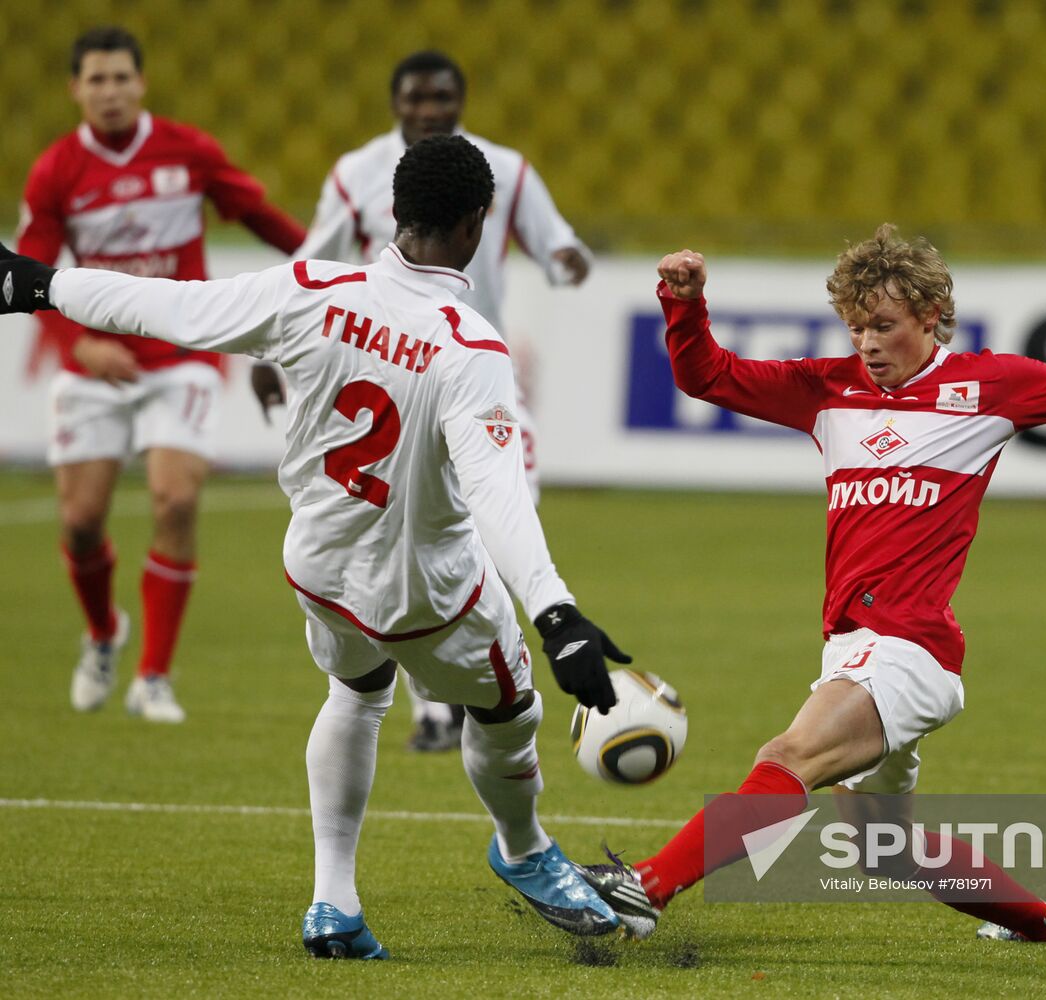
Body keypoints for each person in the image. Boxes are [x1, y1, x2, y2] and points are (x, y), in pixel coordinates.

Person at [578, 228, 1046, 943]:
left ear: (933, 317)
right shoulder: (827, 390)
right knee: (882, 849)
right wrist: (684, 305)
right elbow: (706, 375)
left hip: (909, 648)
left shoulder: (991, 385)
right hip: (851, 649)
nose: (867, 345)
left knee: (789, 755)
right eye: (855, 329)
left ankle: (646, 889)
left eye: (882, 325)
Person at [0, 134, 632, 956]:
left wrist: (38, 284)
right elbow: (497, 492)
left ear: (395, 211)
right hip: (423, 595)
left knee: (359, 692)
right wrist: (554, 614)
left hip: (320, 570)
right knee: (510, 711)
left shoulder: (310, 287)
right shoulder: (468, 347)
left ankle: (333, 905)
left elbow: (173, 308)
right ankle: (522, 849)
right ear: (478, 225)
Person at [280, 49, 593, 754]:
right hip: (392, 372)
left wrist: (570, 259)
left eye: (442, 99)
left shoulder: (505, 171)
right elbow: (316, 252)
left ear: (461, 100)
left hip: (480, 377)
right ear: (396, 104)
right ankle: (438, 704)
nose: (429, 111)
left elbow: (559, 244)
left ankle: (466, 682)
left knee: (495, 520)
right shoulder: (356, 173)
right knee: (411, 529)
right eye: (416, 99)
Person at [18, 26, 307, 723]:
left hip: (182, 355)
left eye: (122, 78)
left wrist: (328, 270)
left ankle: (154, 675)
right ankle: (102, 634)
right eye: (97, 80)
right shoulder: (56, 171)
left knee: (175, 502)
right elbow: (28, 273)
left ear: (141, 83)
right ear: (75, 89)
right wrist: (76, 345)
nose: (110, 92)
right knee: (81, 521)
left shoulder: (189, 151)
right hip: (98, 364)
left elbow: (262, 216)